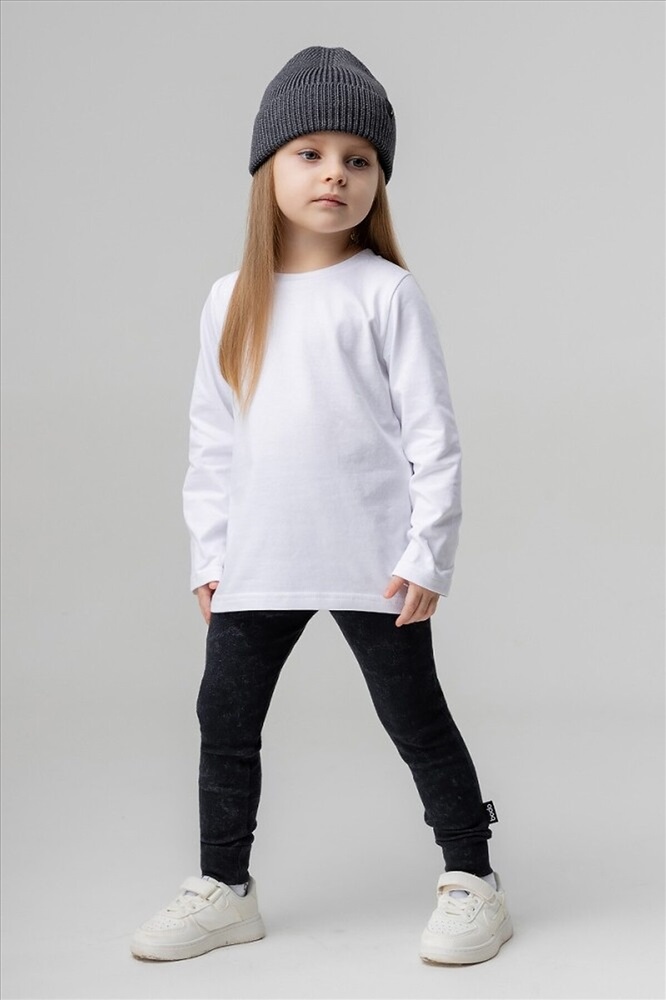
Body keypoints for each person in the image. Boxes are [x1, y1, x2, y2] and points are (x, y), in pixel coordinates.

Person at [131, 45, 513, 967]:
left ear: (379, 181)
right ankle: (225, 887)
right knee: (224, 720)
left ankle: (473, 879)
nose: (335, 173)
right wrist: (209, 554)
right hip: (261, 556)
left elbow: (433, 436)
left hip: (374, 558)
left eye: (358, 159)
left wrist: (428, 554)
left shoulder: (386, 292)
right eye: (310, 153)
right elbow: (213, 439)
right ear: (268, 168)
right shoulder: (230, 299)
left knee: (415, 718)